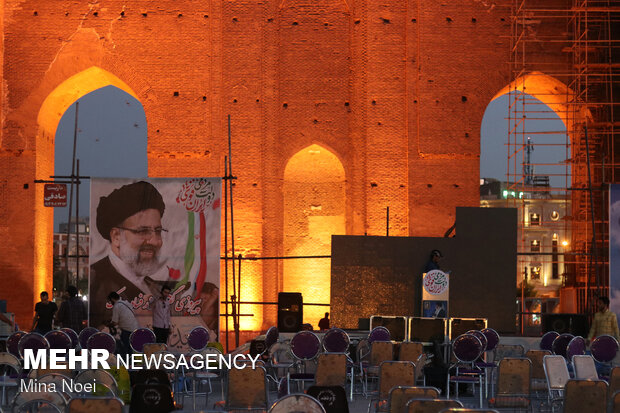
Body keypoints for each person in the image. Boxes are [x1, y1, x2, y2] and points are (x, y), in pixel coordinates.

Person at [90, 181, 170, 328]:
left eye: (158, 231)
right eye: (143, 231)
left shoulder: (154, 287)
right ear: (116, 236)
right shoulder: (95, 282)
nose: (154, 241)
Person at [107, 292, 139, 356]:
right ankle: (131, 363)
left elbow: (115, 322)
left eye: (110, 301)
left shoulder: (117, 306)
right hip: (135, 328)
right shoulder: (127, 303)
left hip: (126, 330)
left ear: (112, 299)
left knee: (124, 350)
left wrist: (108, 324)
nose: (110, 303)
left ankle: (125, 363)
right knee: (130, 349)